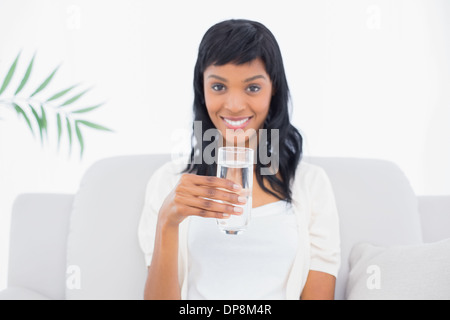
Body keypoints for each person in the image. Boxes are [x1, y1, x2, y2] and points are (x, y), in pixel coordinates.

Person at [138, 19, 340, 300]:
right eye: (219, 87)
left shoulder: (311, 184)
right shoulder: (168, 183)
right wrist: (167, 220)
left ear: (274, 90)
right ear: (202, 89)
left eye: (253, 88)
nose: (233, 106)